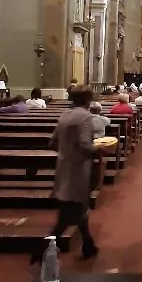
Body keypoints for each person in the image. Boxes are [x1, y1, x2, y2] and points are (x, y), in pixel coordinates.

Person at [31, 86, 103, 264]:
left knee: (78, 209)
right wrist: (99, 149)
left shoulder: (65, 115)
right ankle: (41, 250)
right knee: (66, 217)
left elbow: (52, 143)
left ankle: (88, 245)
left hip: (63, 167)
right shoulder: (86, 117)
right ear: (88, 99)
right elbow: (85, 145)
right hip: (78, 170)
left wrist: (66, 152)